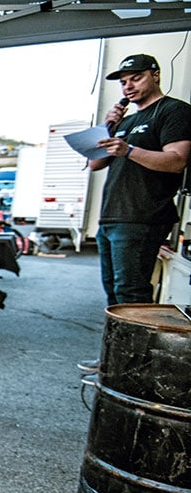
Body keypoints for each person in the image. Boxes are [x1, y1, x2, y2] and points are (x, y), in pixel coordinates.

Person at [89, 53, 191, 308]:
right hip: (111, 215)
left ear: (155, 75)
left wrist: (129, 150)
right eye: (124, 82)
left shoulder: (173, 110)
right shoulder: (126, 121)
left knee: (131, 292)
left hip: (142, 216)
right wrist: (107, 126)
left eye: (136, 78)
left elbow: (177, 160)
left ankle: (135, 348)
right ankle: (119, 346)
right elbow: (95, 163)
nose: (129, 87)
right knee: (113, 291)